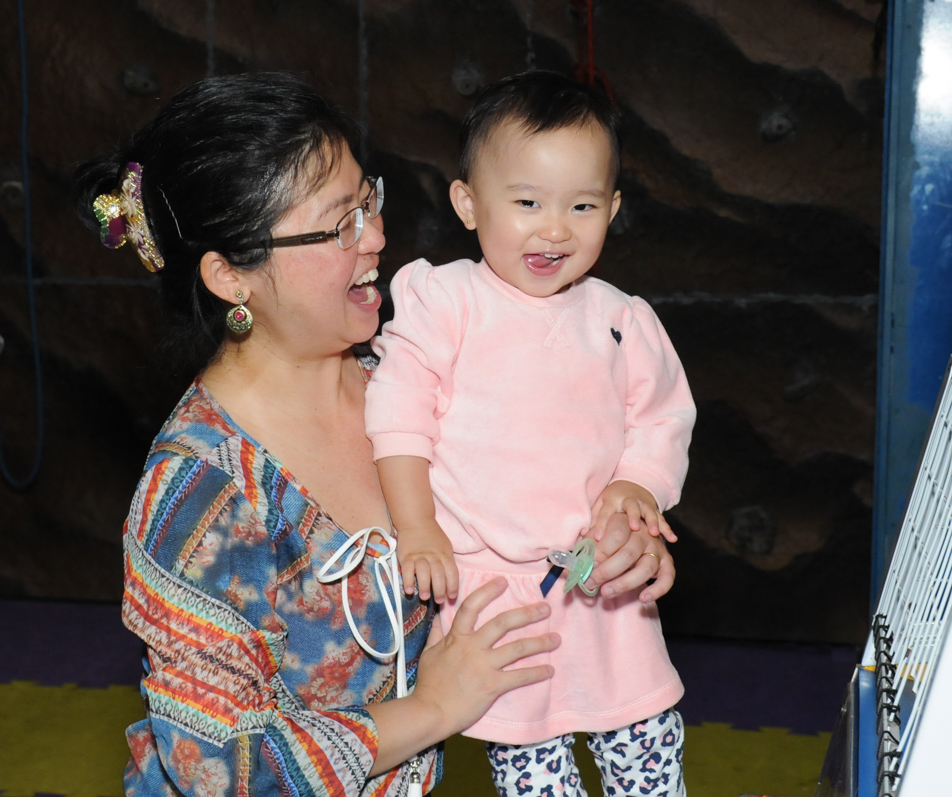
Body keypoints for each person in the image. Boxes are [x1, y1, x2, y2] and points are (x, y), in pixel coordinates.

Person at [74, 72, 674, 796]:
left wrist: (616, 550)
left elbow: (538, 501)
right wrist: (432, 705)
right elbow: (218, 766)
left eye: (369, 201)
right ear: (232, 275)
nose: (378, 237)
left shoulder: (412, 385)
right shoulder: (201, 493)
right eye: (338, 225)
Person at [364, 71, 695, 796]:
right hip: (494, 589)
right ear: (468, 203)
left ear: (613, 208)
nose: (555, 228)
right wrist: (417, 526)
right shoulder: (445, 301)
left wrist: (639, 484)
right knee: (531, 764)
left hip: (598, 575)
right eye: (526, 203)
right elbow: (397, 410)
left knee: (644, 739)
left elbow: (663, 413)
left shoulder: (620, 317)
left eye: (582, 206)